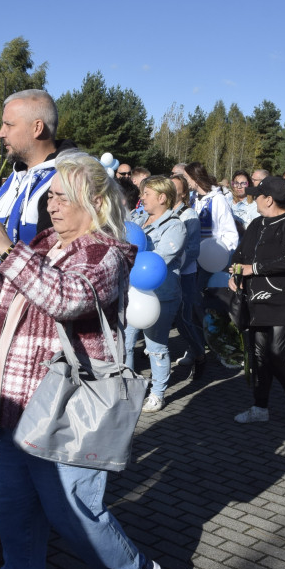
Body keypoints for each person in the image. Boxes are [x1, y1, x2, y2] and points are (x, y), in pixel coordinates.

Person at [0, 153, 160, 569]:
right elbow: (6, 298)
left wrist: (8, 249)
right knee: (12, 509)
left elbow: (66, 299)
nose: (52, 206)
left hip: (67, 406)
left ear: (94, 201)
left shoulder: (106, 252)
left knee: (70, 508)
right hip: (18, 398)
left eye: (62, 197)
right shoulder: (45, 244)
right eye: (49, 195)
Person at [229, 177, 285, 423]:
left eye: (257, 196)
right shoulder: (256, 223)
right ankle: (260, 408)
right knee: (259, 355)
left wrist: (252, 268)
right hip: (256, 298)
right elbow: (241, 253)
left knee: (276, 353)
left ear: (269, 199)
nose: (253, 200)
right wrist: (234, 272)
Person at [124, 176, 186, 413]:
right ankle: (128, 388)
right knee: (126, 343)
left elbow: (159, 260)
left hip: (161, 296)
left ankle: (157, 394)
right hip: (133, 294)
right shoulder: (138, 218)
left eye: (147, 193)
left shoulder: (175, 226)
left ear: (162, 197)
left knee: (156, 346)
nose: (142, 197)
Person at [0, 89, 78, 245]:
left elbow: (53, 262)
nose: (1, 133)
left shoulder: (66, 181)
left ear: (37, 128)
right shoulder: (16, 175)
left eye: (9, 125)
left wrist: (5, 250)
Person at [169, 174, 206, 376]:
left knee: (184, 320)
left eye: (175, 188)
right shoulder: (160, 213)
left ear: (184, 192)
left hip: (184, 276)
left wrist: (171, 263)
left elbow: (193, 250)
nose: (171, 191)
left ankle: (199, 354)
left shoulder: (189, 215)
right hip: (164, 275)